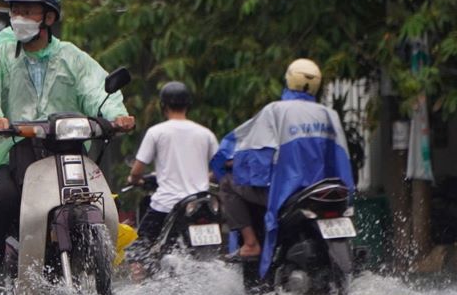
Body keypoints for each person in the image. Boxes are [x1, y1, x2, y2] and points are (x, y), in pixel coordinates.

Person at [0, 0, 134, 291]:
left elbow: (96, 87)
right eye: (15, 12)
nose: (19, 18)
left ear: (49, 18)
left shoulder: (72, 57)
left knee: (94, 196)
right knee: (4, 195)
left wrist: (115, 115)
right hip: (19, 148)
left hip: (69, 149)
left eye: (28, 12)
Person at [211, 58, 355, 277]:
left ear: (289, 79)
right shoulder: (329, 114)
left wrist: (231, 163)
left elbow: (255, 153)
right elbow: (341, 156)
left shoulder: (275, 111)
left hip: (286, 191)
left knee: (228, 183)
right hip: (327, 190)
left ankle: (250, 243)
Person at [125, 81, 219, 243]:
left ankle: (140, 268)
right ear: (188, 105)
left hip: (167, 204)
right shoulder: (206, 134)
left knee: (140, 250)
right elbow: (219, 170)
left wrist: (134, 180)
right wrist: (206, 177)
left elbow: (136, 171)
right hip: (202, 205)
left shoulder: (156, 132)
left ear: (163, 106)